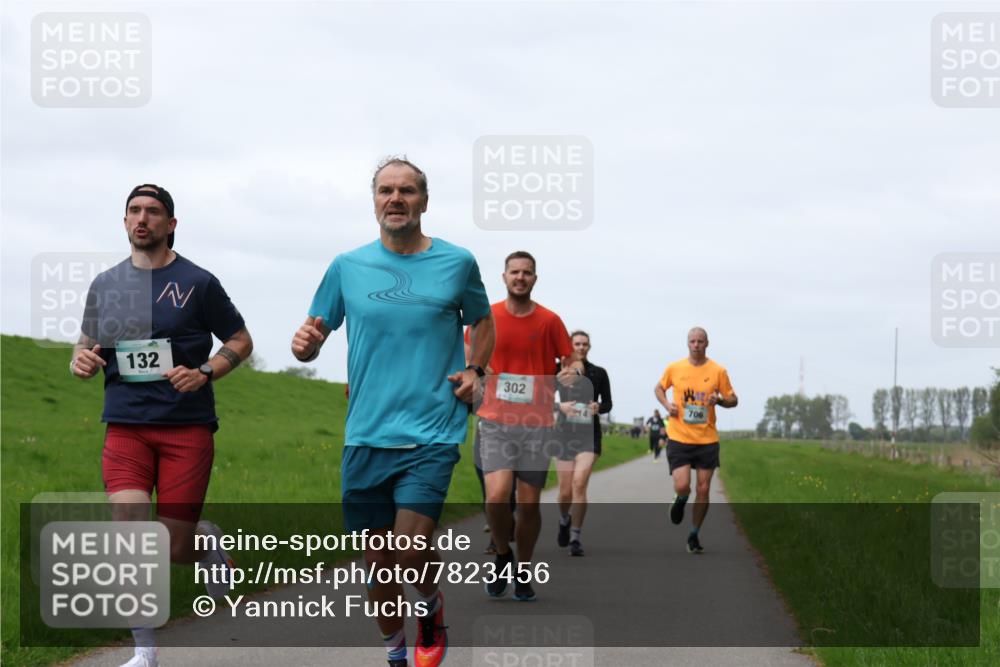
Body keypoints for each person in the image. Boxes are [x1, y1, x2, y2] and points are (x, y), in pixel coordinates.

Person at [291, 157, 494, 667]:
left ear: (424, 201)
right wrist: (305, 346)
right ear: (374, 200)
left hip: (432, 430)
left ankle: (428, 606)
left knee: (407, 551)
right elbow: (313, 335)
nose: (395, 199)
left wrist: (476, 370)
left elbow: (483, 321)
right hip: (366, 434)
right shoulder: (347, 266)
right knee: (379, 565)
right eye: (386, 190)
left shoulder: (457, 262)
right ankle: (395, 654)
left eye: (407, 190)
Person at [72, 184, 253, 667]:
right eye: (134, 211)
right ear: (125, 221)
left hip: (185, 428)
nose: (142, 219)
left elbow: (240, 338)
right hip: (126, 425)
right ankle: (145, 651)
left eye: (153, 212)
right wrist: (81, 360)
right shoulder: (105, 284)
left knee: (173, 547)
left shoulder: (199, 282)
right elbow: (87, 341)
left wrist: (206, 372)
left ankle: (207, 543)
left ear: (171, 224)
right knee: (128, 530)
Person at [473, 250, 580, 601]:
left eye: (527, 273)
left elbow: (571, 360)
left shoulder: (549, 321)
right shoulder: (486, 316)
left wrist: (571, 371)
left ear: (535, 279)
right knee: (497, 497)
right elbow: (467, 354)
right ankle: (503, 553)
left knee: (530, 505)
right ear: (504, 277)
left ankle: (523, 567)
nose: (521, 277)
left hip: (536, 423)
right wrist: (477, 371)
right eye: (514, 272)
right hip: (495, 421)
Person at [654, 327, 737, 554]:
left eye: (700, 341)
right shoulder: (675, 368)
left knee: (703, 489)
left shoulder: (718, 371)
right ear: (687, 343)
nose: (696, 345)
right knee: (683, 486)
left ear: (707, 343)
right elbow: (659, 388)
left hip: (707, 439)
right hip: (679, 436)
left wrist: (718, 400)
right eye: (692, 341)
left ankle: (693, 533)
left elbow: (733, 399)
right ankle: (680, 500)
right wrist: (667, 405)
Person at [554, 330, 612, 557]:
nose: (581, 347)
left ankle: (576, 537)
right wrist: (561, 407)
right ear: (570, 346)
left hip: (590, 435)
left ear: (589, 347)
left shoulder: (599, 373)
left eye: (585, 344)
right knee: (565, 491)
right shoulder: (557, 370)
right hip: (564, 435)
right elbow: (541, 398)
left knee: (579, 484)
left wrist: (599, 407)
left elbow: (608, 402)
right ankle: (563, 519)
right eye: (577, 343)